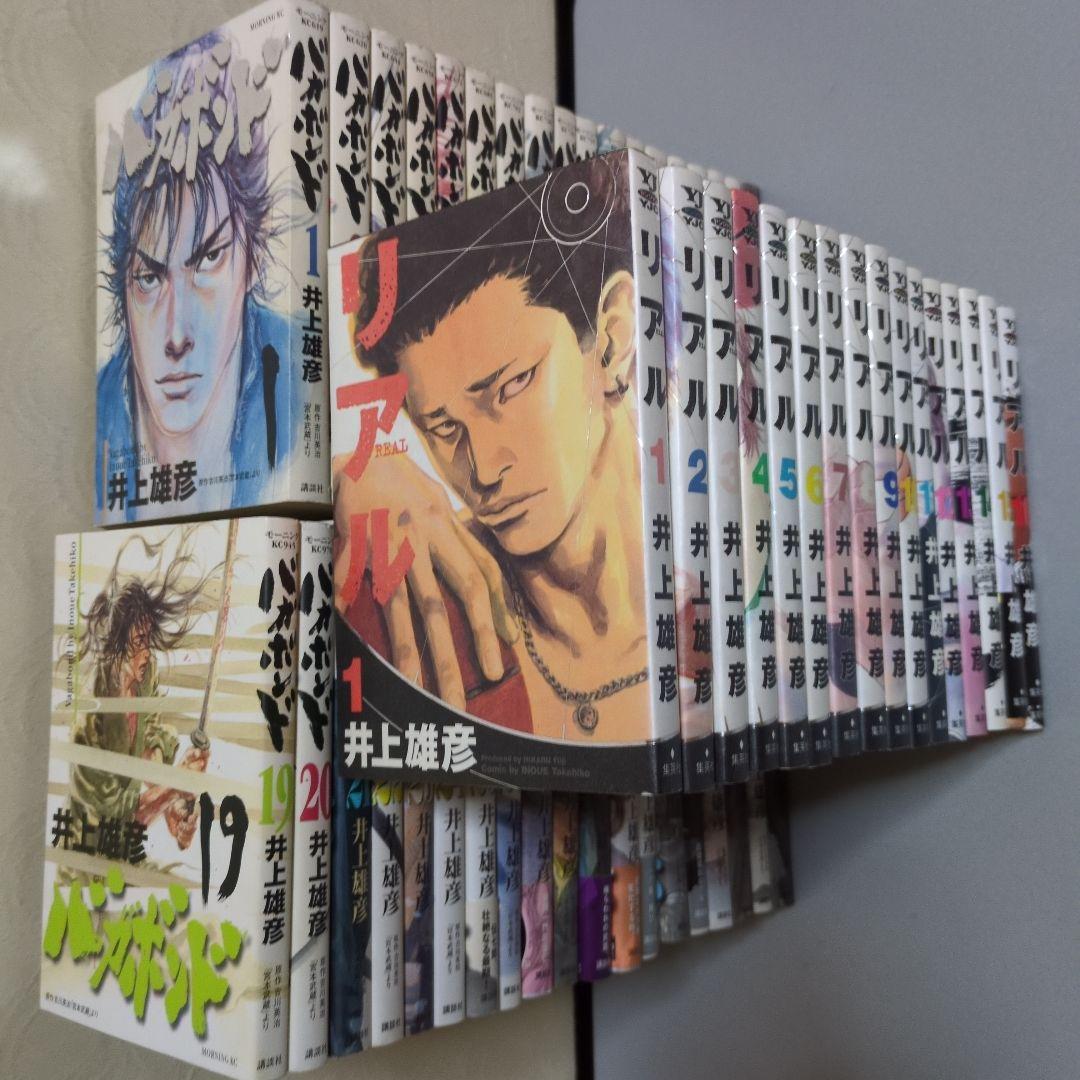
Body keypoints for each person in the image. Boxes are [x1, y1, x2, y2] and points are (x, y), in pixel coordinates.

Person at [335, 156, 654, 742]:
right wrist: (345, 476)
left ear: (612, 337)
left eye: (512, 386)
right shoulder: (421, 607)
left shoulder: (727, 600)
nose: (483, 469)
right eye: (443, 427)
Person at [96, 31, 296, 521]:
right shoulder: (101, 414)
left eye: (208, 260)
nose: (176, 335)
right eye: (149, 278)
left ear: (252, 255)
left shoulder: (297, 379)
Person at [68, 529, 215, 858]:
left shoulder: (143, 678)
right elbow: (120, 817)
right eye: (138, 642)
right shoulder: (91, 717)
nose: (146, 653)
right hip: (88, 853)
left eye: (147, 640)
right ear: (116, 646)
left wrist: (172, 809)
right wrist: (173, 786)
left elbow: (149, 748)